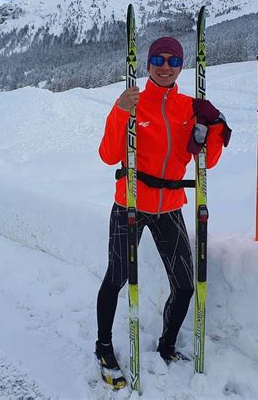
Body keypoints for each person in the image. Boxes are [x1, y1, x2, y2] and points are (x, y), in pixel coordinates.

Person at [95, 36, 231, 387]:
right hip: (131, 201)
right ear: (148, 63)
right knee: (117, 277)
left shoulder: (189, 107)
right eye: (158, 59)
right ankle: (104, 346)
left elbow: (208, 161)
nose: (165, 66)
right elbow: (109, 154)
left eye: (173, 60)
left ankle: (167, 344)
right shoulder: (133, 102)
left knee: (186, 285)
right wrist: (120, 110)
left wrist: (213, 127)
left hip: (170, 205)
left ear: (181, 66)